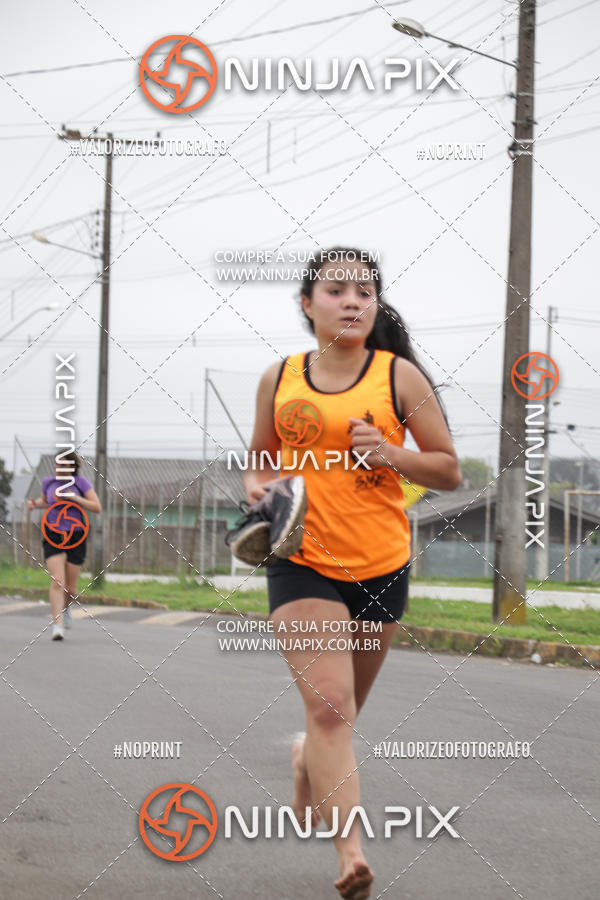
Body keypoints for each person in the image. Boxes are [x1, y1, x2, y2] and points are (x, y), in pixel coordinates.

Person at [240, 247, 461, 899]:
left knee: (341, 714)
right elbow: (258, 461)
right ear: (308, 305)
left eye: (365, 290)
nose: (354, 300)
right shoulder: (279, 378)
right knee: (331, 707)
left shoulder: (399, 379)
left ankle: (306, 757)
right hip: (302, 560)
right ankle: (352, 855)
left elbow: (448, 469)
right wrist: (263, 489)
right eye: (337, 290)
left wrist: (391, 452)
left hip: (382, 564)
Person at [27, 451, 101, 641]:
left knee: (71, 588)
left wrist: (76, 498)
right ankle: (57, 625)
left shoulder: (80, 483)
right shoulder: (49, 482)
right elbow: (46, 501)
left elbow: (96, 507)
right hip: (53, 534)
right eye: (57, 465)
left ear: (72, 467)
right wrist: (35, 504)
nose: (59, 469)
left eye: (63, 466)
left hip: (76, 535)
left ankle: (67, 607)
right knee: (57, 581)